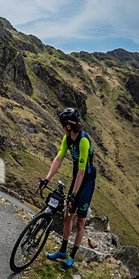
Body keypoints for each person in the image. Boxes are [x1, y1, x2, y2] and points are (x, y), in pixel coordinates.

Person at [40, 107, 96, 268]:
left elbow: (82, 171)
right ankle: (63, 251)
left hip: (87, 181)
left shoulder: (83, 140)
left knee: (80, 221)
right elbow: (59, 158)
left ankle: (72, 255)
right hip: (76, 177)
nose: (62, 127)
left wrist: (74, 194)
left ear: (69, 125)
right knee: (67, 216)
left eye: (63, 124)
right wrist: (47, 178)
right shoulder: (67, 138)